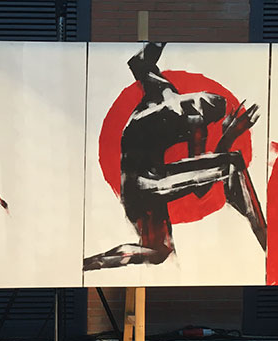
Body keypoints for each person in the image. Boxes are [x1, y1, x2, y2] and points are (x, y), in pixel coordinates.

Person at [83, 43, 266, 271]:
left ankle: (91, 263)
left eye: (200, 111)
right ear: (195, 95)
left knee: (158, 252)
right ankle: (266, 238)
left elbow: (201, 187)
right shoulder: (165, 93)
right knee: (232, 162)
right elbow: (140, 62)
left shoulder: (191, 121)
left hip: (148, 183)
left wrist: (228, 136)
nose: (193, 108)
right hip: (143, 185)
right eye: (198, 101)